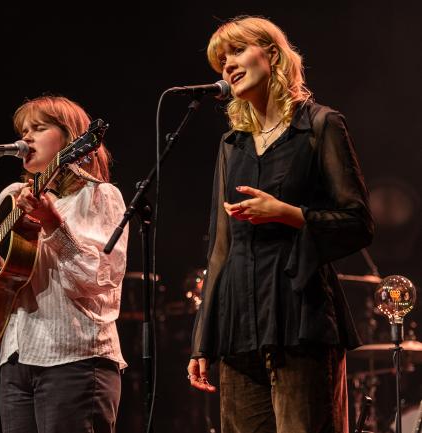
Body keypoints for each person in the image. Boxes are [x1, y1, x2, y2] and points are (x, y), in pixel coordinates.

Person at [187, 16, 374, 433]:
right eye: (221, 60)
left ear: (271, 54)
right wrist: (203, 339)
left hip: (299, 318)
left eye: (237, 51)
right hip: (237, 328)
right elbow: (220, 248)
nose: (228, 65)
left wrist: (290, 214)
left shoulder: (320, 125)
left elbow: (358, 222)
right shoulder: (230, 144)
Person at [0, 95, 128, 433]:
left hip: (76, 359)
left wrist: (53, 224)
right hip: (16, 359)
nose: (26, 138)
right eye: (24, 130)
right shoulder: (14, 196)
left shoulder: (100, 195)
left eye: (39, 128)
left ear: (70, 139)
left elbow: (98, 280)